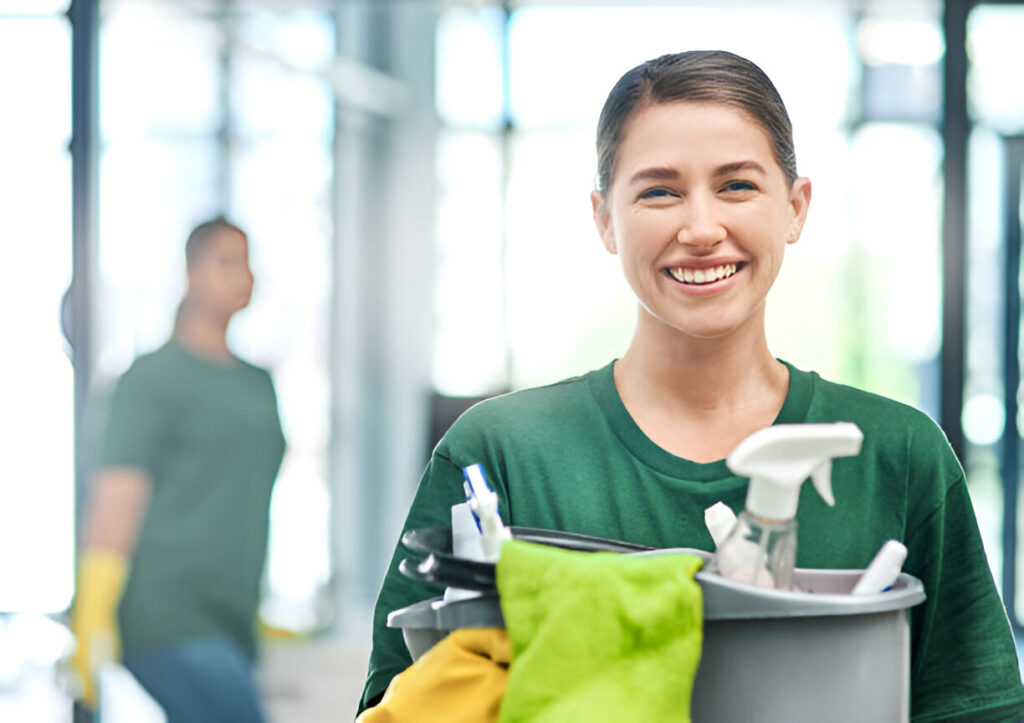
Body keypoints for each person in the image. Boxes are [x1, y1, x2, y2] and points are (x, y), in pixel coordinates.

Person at [359, 50, 1024, 720]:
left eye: (737, 186)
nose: (702, 229)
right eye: (659, 191)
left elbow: (976, 708)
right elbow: (397, 704)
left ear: (795, 208)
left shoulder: (897, 454)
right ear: (604, 219)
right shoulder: (500, 452)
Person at [70, 218, 286, 722]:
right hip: (166, 614)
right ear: (191, 272)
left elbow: (241, 497)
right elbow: (117, 499)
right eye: (225, 261)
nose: (243, 276)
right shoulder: (150, 378)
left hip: (230, 618)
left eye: (248, 263)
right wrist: (91, 615)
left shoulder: (258, 385)